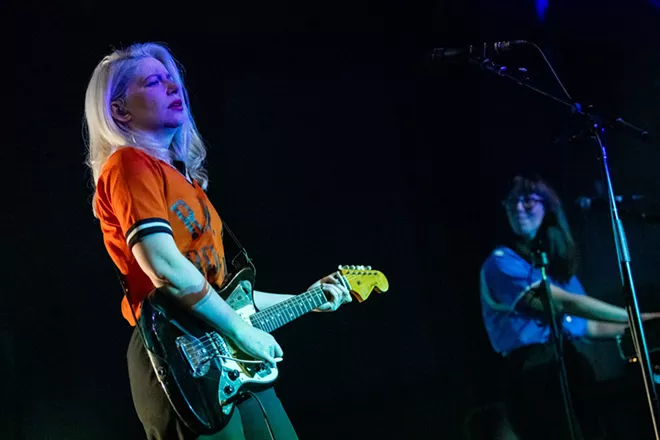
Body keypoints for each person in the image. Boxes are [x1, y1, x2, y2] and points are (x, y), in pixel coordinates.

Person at [83, 42, 352, 440]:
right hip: (175, 357)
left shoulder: (188, 185)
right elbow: (166, 268)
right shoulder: (128, 165)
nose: (174, 88)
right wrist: (243, 333)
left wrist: (305, 299)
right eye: (155, 82)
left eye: (173, 80)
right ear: (119, 110)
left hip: (224, 350)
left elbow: (229, 297)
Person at [479, 175, 660, 440]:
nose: (518, 208)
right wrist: (637, 317)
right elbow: (564, 302)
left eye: (527, 201)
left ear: (547, 207)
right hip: (533, 371)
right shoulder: (499, 262)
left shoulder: (554, 268)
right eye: (511, 203)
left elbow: (589, 325)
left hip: (568, 361)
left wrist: (646, 329)